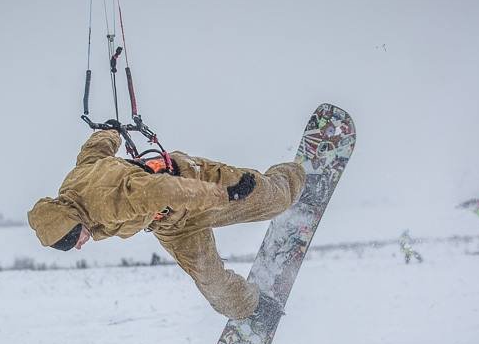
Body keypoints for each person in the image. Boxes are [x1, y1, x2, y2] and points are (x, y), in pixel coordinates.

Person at [27, 127, 306, 321]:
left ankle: (297, 175)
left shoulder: (110, 202)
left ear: (73, 224)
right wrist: (109, 133)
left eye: (73, 240)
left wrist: (226, 193)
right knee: (212, 283)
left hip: (194, 185)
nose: (78, 246)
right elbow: (93, 154)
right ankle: (251, 309)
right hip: (171, 224)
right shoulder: (72, 191)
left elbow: (167, 190)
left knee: (276, 200)